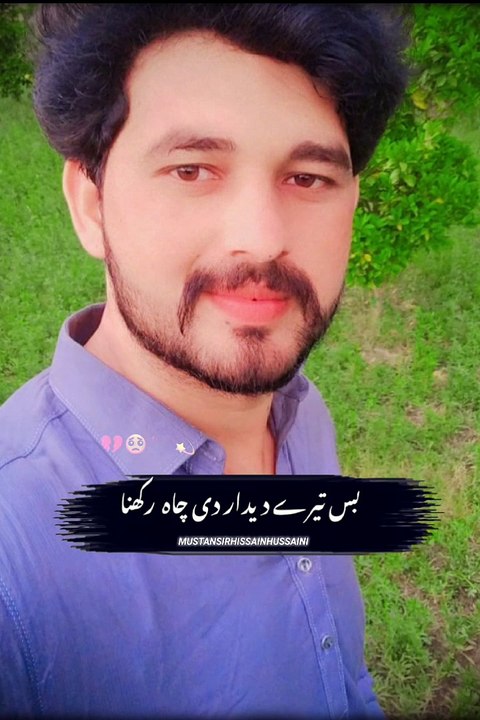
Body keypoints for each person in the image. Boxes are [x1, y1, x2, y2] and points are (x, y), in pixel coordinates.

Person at [0, 4, 409, 718]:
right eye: (192, 169)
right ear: (91, 204)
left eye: (308, 177)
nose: (262, 238)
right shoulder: (15, 559)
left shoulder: (299, 411)